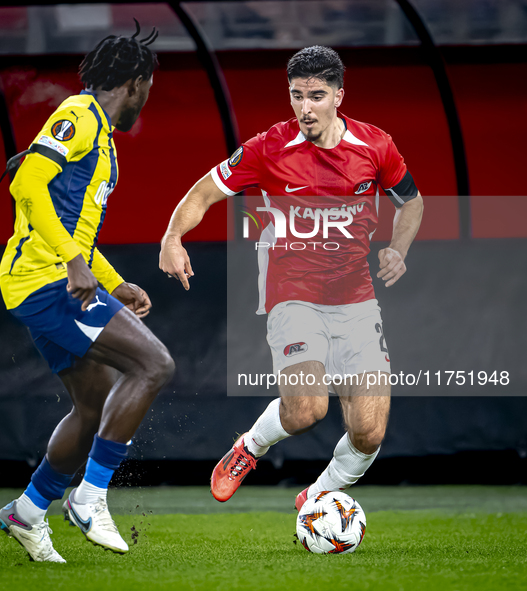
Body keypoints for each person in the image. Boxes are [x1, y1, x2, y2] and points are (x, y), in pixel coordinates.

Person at [159, 46, 423, 509]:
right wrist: (172, 237)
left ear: (340, 95)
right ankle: (249, 449)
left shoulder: (376, 146)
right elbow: (204, 191)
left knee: (369, 432)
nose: (305, 107)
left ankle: (317, 498)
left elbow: (412, 202)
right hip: (293, 295)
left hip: (356, 300)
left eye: (316, 95)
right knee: (307, 409)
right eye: (296, 95)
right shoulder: (267, 148)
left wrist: (398, 250)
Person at [0, 25, 174, 563]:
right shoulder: (78, 115)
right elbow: (25, 182)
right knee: (154, 365)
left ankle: (26, 514)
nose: (145, 100)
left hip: (51, 277)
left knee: (95, 406)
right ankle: (90, 497)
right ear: (137, 84)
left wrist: (114, 280)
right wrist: (73, 262)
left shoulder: (101, 139)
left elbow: (76, 232)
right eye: (148, 89)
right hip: (45, 280)